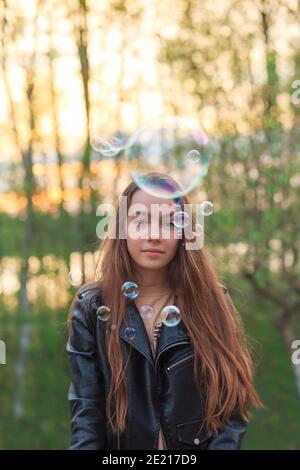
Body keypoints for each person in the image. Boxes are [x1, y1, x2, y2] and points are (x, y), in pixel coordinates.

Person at [66, 172, 263, 450]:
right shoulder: (92, 307)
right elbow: (86, 415)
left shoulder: (210, 301)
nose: (154, 235)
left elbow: (231, 407)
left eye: (169, 222)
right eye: (140, 220)